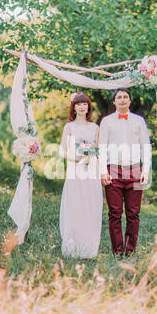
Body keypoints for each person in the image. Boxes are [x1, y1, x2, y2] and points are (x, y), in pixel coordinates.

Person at [99, 88, 152, 259]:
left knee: (133, 212)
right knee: (114, 213)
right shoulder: (106, 122)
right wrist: (102, 171)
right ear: (114, 102)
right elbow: (102, 148)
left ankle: (130, 249)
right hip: (112, 170)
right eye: (119, 97)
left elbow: (146, 146)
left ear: (129, 101)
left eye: (125, 97)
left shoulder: (139, 121)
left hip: (135, 170)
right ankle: (117, 251)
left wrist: (145, 170)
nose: (122, 100)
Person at [59, 92, 103, 259]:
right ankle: (72, 247)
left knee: (90, 207)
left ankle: (89, 249)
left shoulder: (95, 128)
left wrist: (91, 159)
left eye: (85, 104)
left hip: (91, 171)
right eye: (79, 104)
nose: (82, 106)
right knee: (75, 206)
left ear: (89, 107)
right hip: (75, 171)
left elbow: (97, 151)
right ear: (74, 107)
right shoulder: (69, 127)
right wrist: (77, 158)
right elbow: (62, 151)